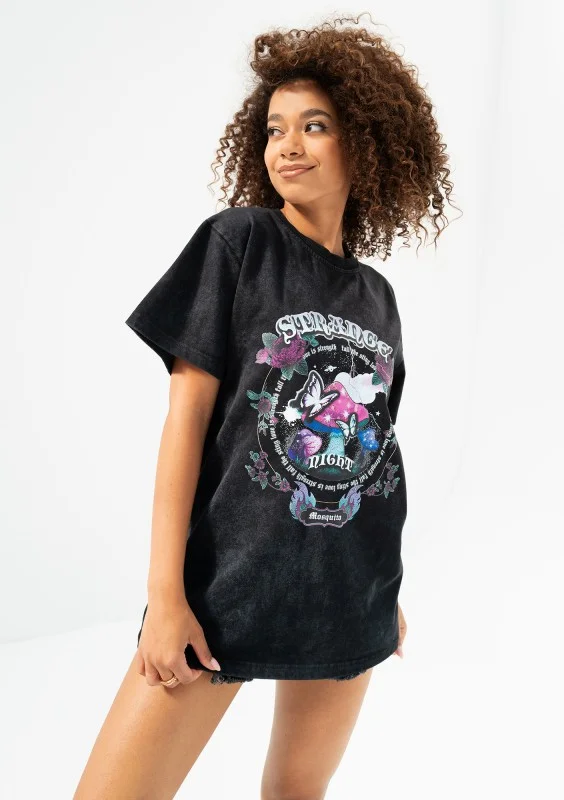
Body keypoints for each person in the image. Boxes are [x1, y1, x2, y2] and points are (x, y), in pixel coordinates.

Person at [74, 14, 454, 799]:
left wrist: (383, 594)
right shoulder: (238, 243)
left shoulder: (378, 297)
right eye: (275, 128)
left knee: (295, 794)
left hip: (352, 594)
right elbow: (184, 423)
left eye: (314, 125)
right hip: (228, 590)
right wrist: (165, 598)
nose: (287, 145)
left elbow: (375, 448)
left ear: (365, 144)